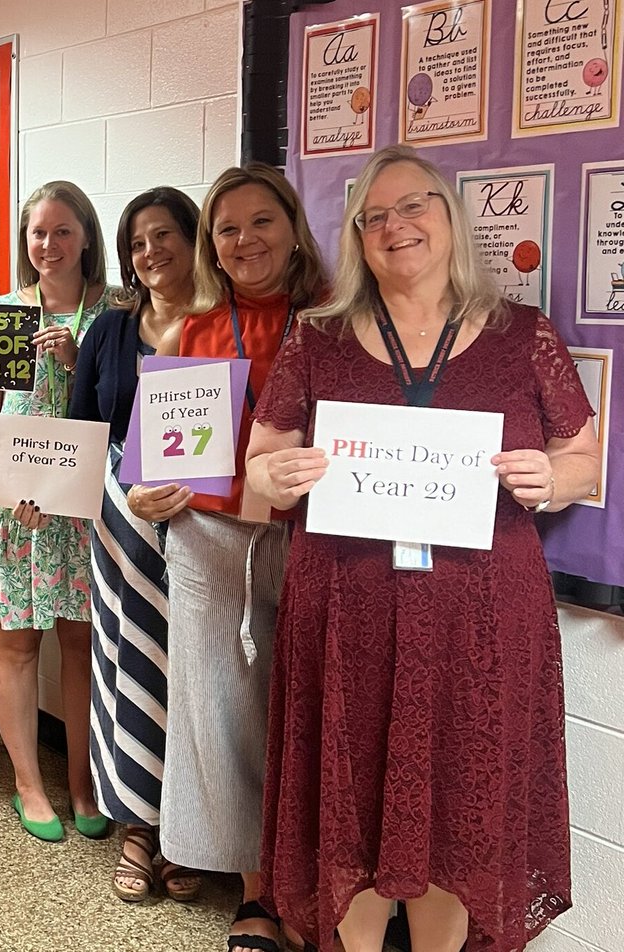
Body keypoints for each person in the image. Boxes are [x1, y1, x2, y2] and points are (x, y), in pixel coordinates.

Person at [246, 145, 598, 952]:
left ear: (450, 217)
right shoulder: (319, 337)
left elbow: (584, 455)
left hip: (481, 622)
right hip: (346, 613)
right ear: (358, 240)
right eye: (375, 217)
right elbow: (261, 459)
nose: (396, 226)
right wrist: (282, 472)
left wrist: (555, 477)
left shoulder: (524, 335)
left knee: (457, 813)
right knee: (351, 807)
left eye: (415, 207)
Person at [126, 163, 327, 952]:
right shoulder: (196, 330)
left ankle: (312, 883)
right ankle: (255, 892)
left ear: (292, 225)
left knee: (305, 714)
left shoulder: (336, 322)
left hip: (312, 542)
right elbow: (156, 461)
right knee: (223, 718)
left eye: (261, 222)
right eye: (227, 228)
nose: (245, 241)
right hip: (210, 545)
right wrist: (144, 494)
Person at [0, 181, 112, 841]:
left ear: (86, 237)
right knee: (17, 642)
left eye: (63, 230)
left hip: (81, 503)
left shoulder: (116, 313)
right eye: (38, 233)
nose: (49, 245)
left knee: (81, 643)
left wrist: (78, 365)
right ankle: (27, 783)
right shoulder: (4, 314)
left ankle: (82, 782)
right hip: (15, 501)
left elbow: (121, 408)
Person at [69, 187, 203, 900]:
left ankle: (188, 829)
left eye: (163, 237)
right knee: (127, 663)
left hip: (204, 522)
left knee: (194, 674)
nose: (150, 253)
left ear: (192, 238)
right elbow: (80, 427)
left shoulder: (221, 323)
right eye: (137, 243)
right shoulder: (111, 330)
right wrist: (48, 495)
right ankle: (136, 826)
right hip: (120, 524)